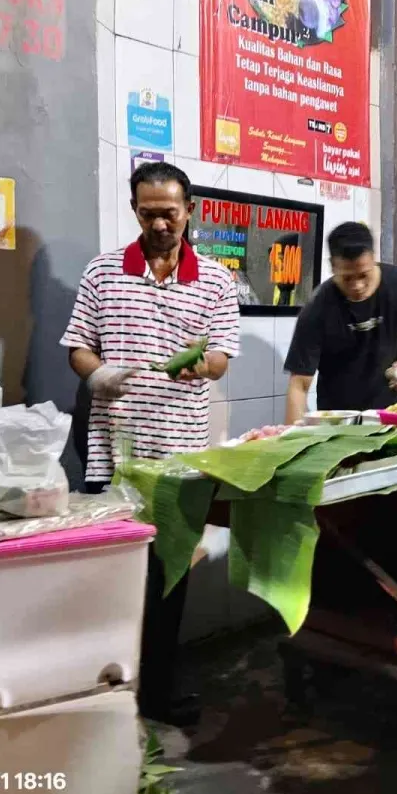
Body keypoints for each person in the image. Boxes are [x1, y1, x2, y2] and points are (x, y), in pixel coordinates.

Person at [61, 160, 240, 725]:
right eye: (148, 213)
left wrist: (203, 369)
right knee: (111, 577)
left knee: (169, 581)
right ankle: (107, 694)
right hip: (111, 455)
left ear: (191, 210)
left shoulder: (214, 281)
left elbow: (220, 356)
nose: (160, 224)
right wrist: (96, 375)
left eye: (169, 212)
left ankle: (157, 692)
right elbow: (78, 346)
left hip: (179, 458)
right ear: (134, 211)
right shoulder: (103, 271)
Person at [283, 222, 397, 421]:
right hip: (340, 420)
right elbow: (299, 385)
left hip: (394, 413)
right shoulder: (318, 307)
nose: (357, 286)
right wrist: (292, 438)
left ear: (373, 259)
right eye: (347, 278)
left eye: (364, 275)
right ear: (333, 267)